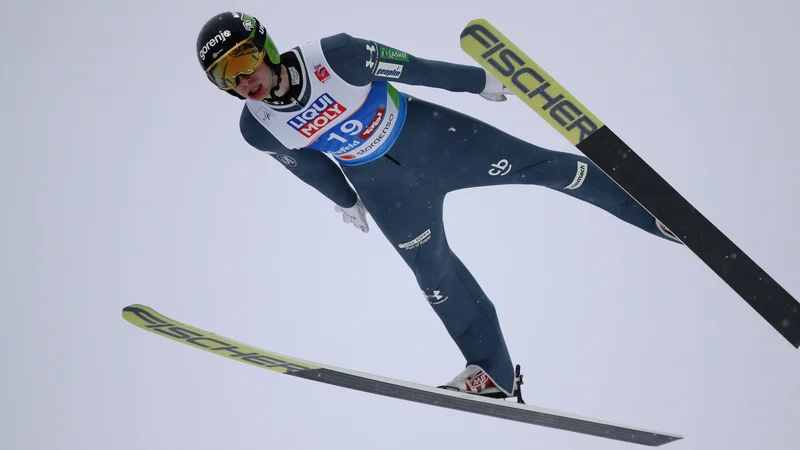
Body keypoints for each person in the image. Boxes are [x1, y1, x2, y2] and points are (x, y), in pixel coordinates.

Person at [195, 11, 681, 400]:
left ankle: (656, 214)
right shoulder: (256, 127)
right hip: (386, 189)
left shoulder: (335, 56)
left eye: (242, 64)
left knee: (549, 168)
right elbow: (306, 165)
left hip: (437, 141)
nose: (240, 82)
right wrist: (344, 199)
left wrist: (478, 81)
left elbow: (413, 67)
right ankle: (492, 374)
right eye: (224, 78)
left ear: (266, 49)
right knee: (434, 276)